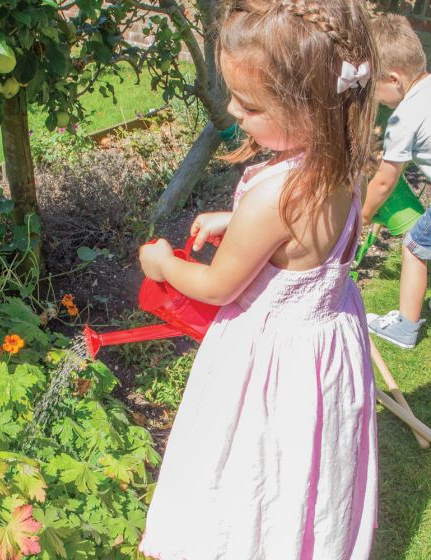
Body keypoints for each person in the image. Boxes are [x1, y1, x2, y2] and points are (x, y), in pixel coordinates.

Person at [137, 1, 379, 558]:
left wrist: (164, 264)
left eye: (248, 104)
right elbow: (308, 237)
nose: (232, 110)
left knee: (252, 467)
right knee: (306, 469)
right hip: (324, 351)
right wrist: (237, 221)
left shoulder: (275, 194)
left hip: (271, 364)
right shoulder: (342, 165)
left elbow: (219, 286)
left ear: (310, 107)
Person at [363, 14, 431, 349]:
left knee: (415, 245)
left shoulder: (404, 117)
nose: (375, 96)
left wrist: (364, 215)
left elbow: (385, 181)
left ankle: (405, 328)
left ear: (393, 79)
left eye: (374, 87)